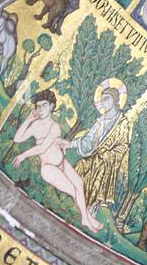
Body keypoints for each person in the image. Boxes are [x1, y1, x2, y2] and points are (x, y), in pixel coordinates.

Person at [12, 90, 101, 232]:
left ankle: (87, 217)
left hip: (62, 163)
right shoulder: (35, 126)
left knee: (79, 183)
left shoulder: (55, 126)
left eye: (44, 105)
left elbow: (43, 146)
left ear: (52, 106)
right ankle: (86, 218)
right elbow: (18, 139)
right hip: (49, 168)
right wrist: (28, 120)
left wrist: (24, 154)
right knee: (73, 190)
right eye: (38, 106)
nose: (41, 109)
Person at [68, 79, 130, 210]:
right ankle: (72, 204)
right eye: (102, 99)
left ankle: (89, 208)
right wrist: (70, 144)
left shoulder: (122, 123)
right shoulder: (100, 120)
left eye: (107, 99)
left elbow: (123, 146)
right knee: (79, 167)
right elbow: (89, 139)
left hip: (107, 163)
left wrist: (109, 154)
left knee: (98, 175)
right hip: (93, 157)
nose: (103, 103)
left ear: (115, 100)